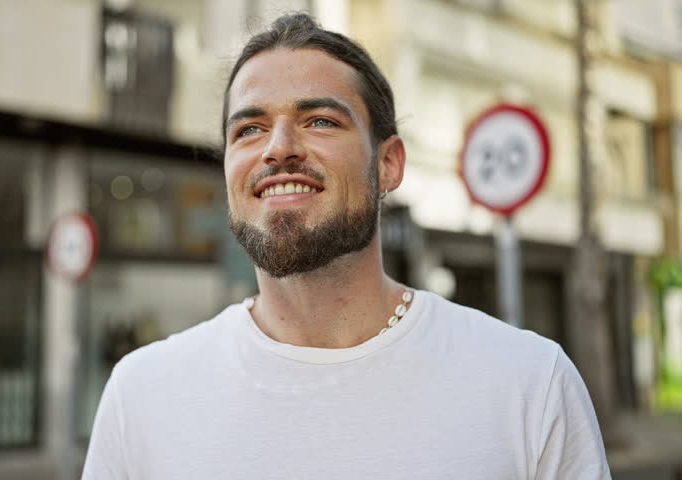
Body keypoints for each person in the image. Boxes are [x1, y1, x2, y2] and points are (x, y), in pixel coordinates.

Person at [82, 13, 610, 479]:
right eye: (249, 129)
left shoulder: (529, 383)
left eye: (319, 121)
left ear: (389, 164)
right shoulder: (143, 395)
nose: (278, 148)